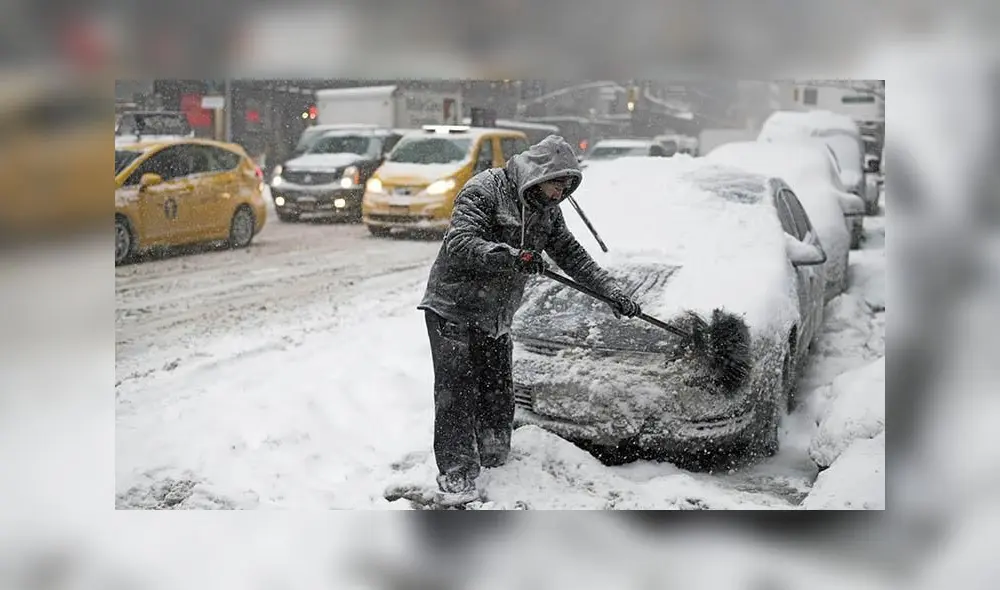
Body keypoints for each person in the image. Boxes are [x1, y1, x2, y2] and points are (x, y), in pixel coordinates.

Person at [417, 135, 642, 505]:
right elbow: (460, 242)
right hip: (453, 307)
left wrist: (611, 292)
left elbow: (572, 255)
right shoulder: (486, 190)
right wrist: (511, 256)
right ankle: (457, 473)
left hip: (496, 315)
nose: (559, 195)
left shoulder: (547, 209)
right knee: (457, 393)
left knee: (497, 391)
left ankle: (494, 458)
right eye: (556, 186)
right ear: (540, 175)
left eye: (566, 189)